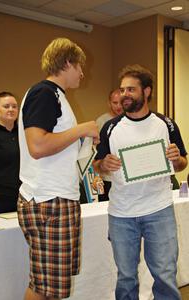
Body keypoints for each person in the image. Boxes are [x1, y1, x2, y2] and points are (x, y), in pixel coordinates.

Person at [93, 64, 188, 300]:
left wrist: (177, 160)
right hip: (122, 212)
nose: (124, 95)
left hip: (159, 209)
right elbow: (97, 164)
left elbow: (182, 163)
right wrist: (103, 165)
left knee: (165, 275)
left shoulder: (166, 124)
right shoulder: (110, 127)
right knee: (126, 277)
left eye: (131, 90)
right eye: (122, 90)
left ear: (146, 91)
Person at [17, 37, 99, 300]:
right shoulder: (45, 93)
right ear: (67, 63)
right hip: (48, 200)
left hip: (56, 198)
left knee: (49, 286)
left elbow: (55, 147)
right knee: (44, 287)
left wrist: (82, 137)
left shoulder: (56, 97)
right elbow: (38, 146)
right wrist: (81, 130)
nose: (82, 73)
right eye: (79, 66)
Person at [0, 91, 20, 215]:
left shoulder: (25, 134)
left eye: (14, 106)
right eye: (6, 106)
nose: (11, 109)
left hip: (23, 199)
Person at [95, 89, 123, 201]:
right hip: (106, 178)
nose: (118, 106)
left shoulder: (130, 120)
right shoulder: (101, 122)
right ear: (109, 103)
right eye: (115, 103)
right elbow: (95, 152)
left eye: (121, 102)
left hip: (124, 177)